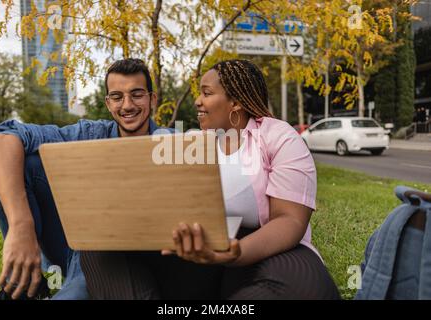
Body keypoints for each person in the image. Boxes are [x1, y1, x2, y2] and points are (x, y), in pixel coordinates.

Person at [80, 60, 341, 300]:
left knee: (306, 289)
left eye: (206, 93)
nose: (197, 101)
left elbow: (290, 220)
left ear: (235, 101)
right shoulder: (190, 143)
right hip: (198, 255)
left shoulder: (278, 137)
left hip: (263, 250)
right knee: (99, 247)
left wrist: (235, 252)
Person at [0, 58, 173, 300]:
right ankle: (25, 286)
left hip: (127, 257)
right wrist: (21, 227)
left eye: (136, 94)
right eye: (117, 96)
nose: (127, 105)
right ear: (107, 102)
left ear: (152, 99)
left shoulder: (173, 145)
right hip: (79, 247)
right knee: (24, 166)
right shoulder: (89, 134)